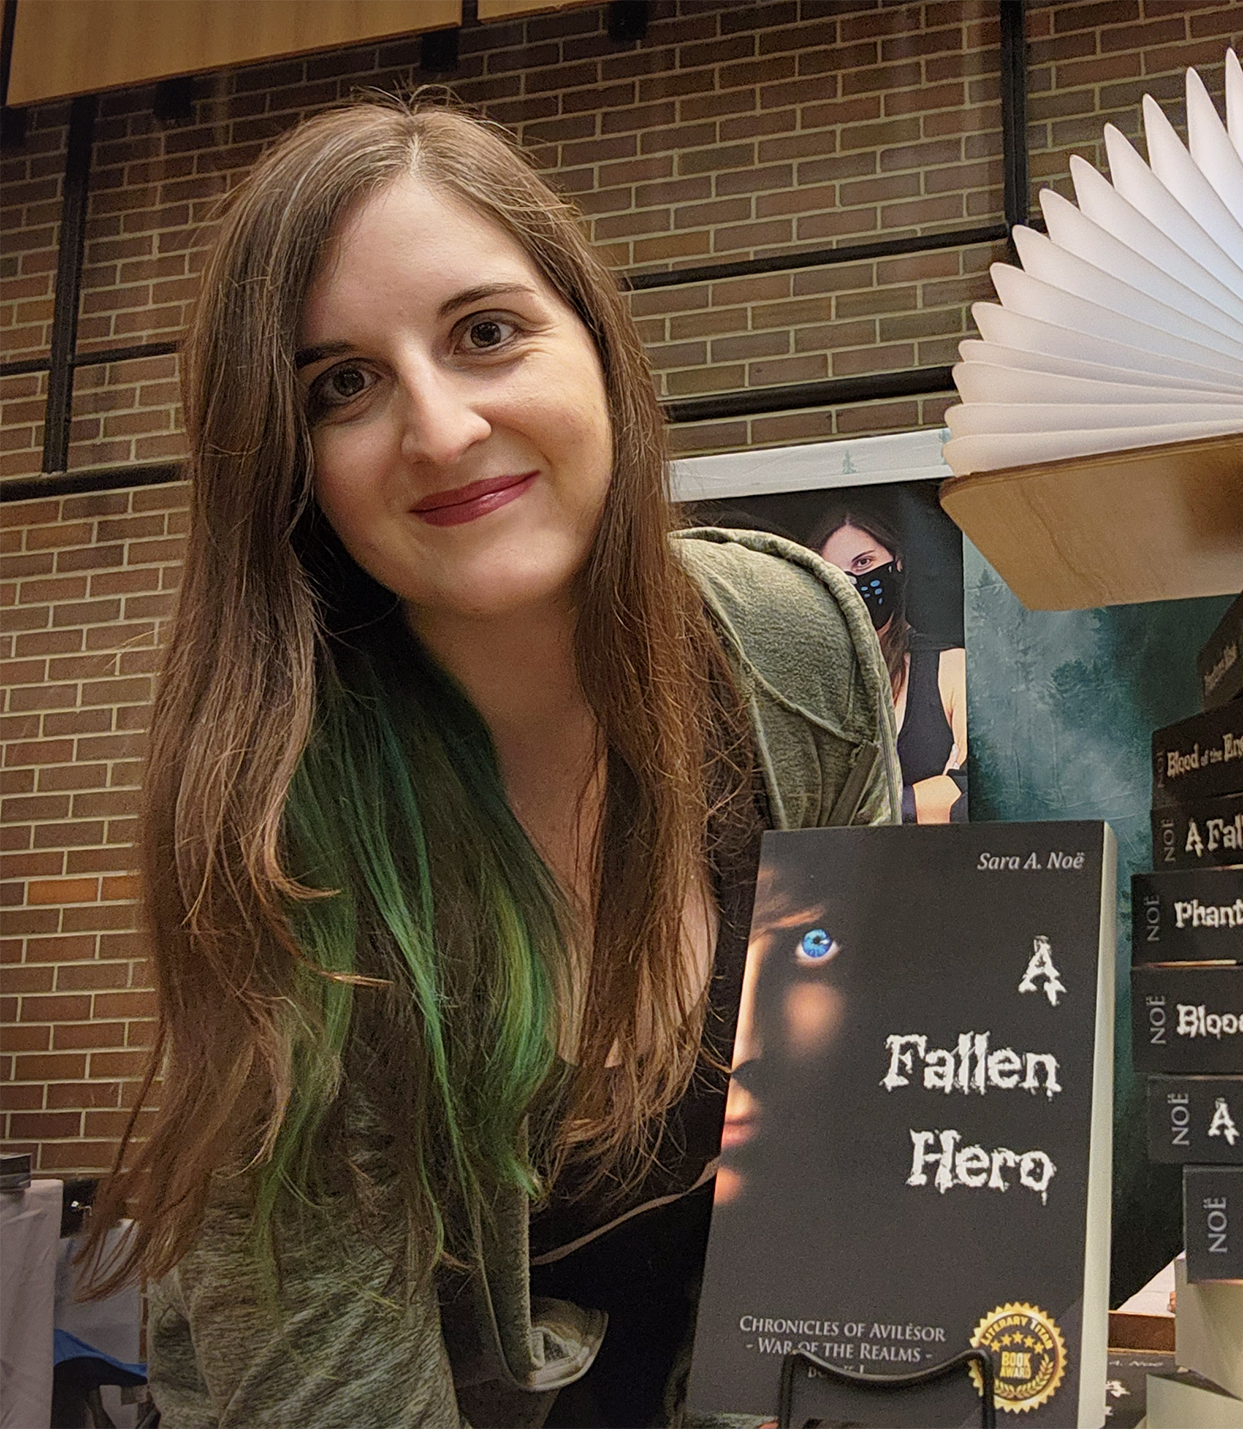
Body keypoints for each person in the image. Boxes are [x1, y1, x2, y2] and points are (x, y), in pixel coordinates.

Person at [75, 99, 900, 1428]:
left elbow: (858, 1138)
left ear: (598, 345)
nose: (444, 430)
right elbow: (330, 1382)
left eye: (486, 332)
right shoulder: (281, 818)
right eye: (341, 384)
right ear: (290, 471)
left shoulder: (794, 645)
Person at [809, 511, 968, 823]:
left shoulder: (949, 668)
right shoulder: (817, 683)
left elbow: (975, 789)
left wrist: (865, 813)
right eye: (836, 575)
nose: (853, 583)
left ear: (897, 563)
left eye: (864, 563)